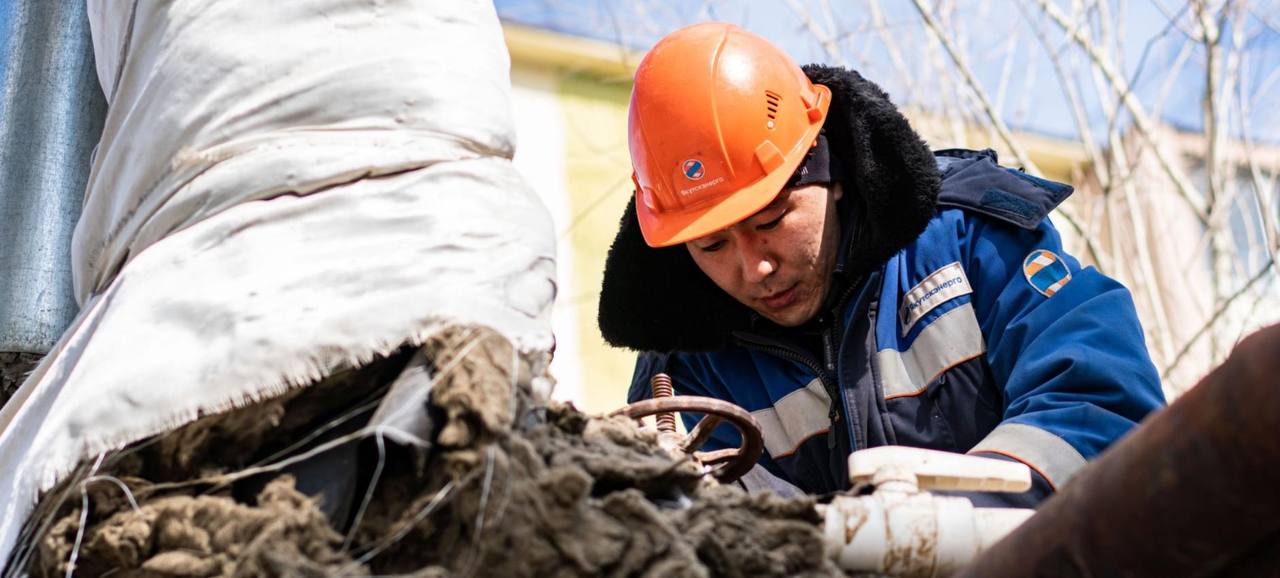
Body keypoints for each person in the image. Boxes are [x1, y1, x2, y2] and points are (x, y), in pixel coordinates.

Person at [597, 22, 1165, 506]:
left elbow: (1101, 402)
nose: (754, 269)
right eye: (712, 246)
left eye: (770, 221)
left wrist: (947, 516)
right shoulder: (685, 381)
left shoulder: (969, 241)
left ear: (830, 171)